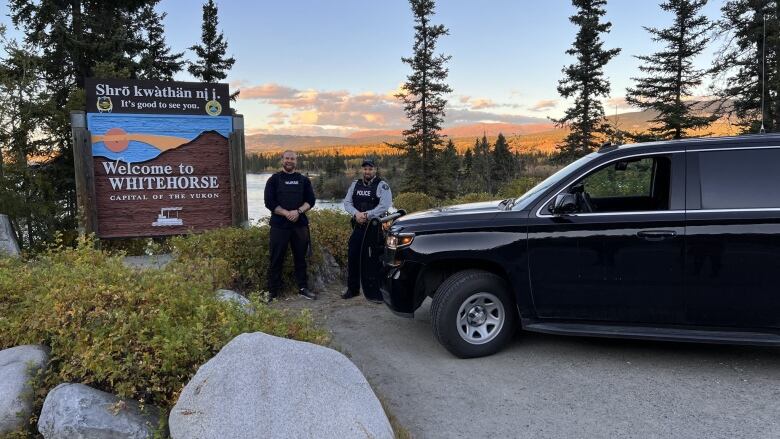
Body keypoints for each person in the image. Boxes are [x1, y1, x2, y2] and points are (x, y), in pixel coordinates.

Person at [264, 150, 317, 301]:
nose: (289, 161)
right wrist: (286, 213)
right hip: (279, 226)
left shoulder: (303, 180)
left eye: (292, 159)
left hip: (299, 226)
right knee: (276, 259)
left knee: (300, 258)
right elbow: (269, 202)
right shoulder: (273, 180)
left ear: (296, 161)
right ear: (282, 160)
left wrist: (298, 211)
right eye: (287, 158)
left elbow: (310, 201)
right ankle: (273, 292)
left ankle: (303, 288)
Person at [342, 159, 392, 302]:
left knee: (374, 260)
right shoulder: (355, 185)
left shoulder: (382, 186)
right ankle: (353, 289)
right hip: (358, 227)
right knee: (352, 257)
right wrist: (356, 214)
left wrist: (367, 215)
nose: (367, 171)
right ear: (362, 170)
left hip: (375, 230)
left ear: (375, 169)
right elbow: (347, 203)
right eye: (365, 169)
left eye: (370, 169)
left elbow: (384, 206)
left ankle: (376, 292)